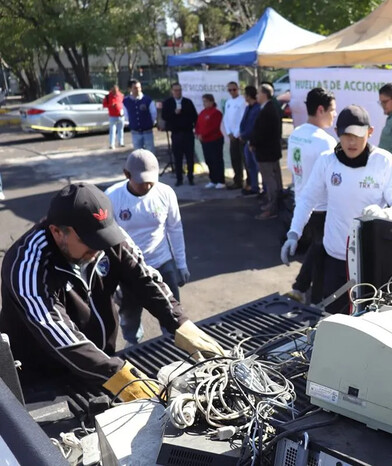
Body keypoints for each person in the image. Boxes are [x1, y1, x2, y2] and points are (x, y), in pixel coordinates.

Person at [0, 183, 225, 401]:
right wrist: (116, 374)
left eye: (103, 239)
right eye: (88, 241)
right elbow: (56, 332)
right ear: (57, 232)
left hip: (99, 361)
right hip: (40, 381)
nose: (98, 249)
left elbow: (144, 278)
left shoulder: (107, 239)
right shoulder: (27, 264)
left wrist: (180, 323)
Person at [281, 105, 392, 314]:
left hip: (370, 258)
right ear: (337, 133)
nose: (352, 142)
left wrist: (385, 215)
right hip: (335, 256)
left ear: (370, 132)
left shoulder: (383, 161)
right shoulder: (327, 161)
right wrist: (293, 233)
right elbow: (307, 199)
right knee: (335, 316)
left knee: (368, 317)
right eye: (346, 135)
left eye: (358, 135)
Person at [105, 149, 190, 346]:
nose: (148, 185)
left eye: (152, 179)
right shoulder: (112, 197)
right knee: (130, 314)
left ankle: (171, 341)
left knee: (170, 309)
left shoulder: (165, 193)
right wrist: (113, 277)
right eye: (142, 181)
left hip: (162, 261)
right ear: (127, 174)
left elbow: (175, 229)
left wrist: (181, 264)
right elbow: (108, 241)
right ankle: (133, 343)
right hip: (129, 267)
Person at [284, 88, 337, 304]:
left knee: (317, 248)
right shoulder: (325, 142)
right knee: (321, 253)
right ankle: (313, 301)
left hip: (302, 202)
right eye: (332, 110)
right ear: (321, 109)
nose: (334, 115)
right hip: (322, 206)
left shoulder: (296, 134)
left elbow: (290, 166)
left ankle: (300, 288)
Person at [250, 83, 283, 219]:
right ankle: (275, 205)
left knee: (271, 181)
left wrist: (254, 143)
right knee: (274, 180)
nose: (256, 96)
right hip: (270, 152)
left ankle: (272, 208)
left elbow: (263, 133)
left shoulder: (268, 110)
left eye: (258, 93)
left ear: (264, 94)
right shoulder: (268, 108)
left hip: (266, 153)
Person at [161, 82, 198, 186]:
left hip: (188, 133)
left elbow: (194, 117)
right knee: (178, 157)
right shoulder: (168, 103)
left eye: (179, 90)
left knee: (190, 157)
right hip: (176, 133)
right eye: (176, 90)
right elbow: (164, 116)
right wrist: (174, 113)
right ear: (172, 91)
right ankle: (179, 178)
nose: (178, 92)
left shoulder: (187, 102)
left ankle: (191, 177)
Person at [195, 94, 225, 189]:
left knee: (217, 159)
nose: (205, 103)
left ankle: (221, 180)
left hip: (215, 139)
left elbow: (214, 127)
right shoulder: (202, 112)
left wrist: (203, 134)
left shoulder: (216, 113)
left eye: (206, 101)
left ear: (212, 102)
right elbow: (198, 125)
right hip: (205, 141)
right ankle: (213, 179)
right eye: (204, 101)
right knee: (209, 160)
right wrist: (198, 133)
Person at [223, 81, 247, 190]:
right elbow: (226, 118)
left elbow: (242, 118)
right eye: (230, 90)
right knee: (234, 159)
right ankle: (237, 180)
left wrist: (236, 133)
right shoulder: (228, 102)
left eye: (234, 89)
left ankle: (249, 182)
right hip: (231, 135)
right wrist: (229, 132)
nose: (232, 92)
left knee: (244, 159)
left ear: (238, 89)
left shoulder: (242, 101)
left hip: (240, 135)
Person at [122, 80, 157, 152]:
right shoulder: (126, 101)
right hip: (135, 132)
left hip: (147, 131)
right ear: (130, 89)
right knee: (138, 154)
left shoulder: (147, 99)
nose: (138, 89)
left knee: (150, 153)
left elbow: (153, 113)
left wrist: (150, 123)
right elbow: (126, 115)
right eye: (135, 88)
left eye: (139, 87)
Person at [239, 85, 262, 196]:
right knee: (250, 165)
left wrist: (245, 135)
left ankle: (265, 191)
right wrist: (242, 134)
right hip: (247, 141)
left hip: (254, 142)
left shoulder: (258, 108)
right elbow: (244, 123)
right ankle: (254, 186)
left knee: (259, 166)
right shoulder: (248, 108)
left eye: (245, 94)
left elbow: (254, 126)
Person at [103, 84, 125, 150]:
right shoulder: (108, 96)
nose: (115, 92)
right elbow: (104, 105)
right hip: (112, 116)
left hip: (121, 115)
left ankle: (121, 142)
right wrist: (110, 105)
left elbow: (123, 103)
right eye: (114, 90)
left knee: (121, 130)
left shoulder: (121, 95)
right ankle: (112, 144)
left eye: (116, 90)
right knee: (112, 131)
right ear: (111, 89)